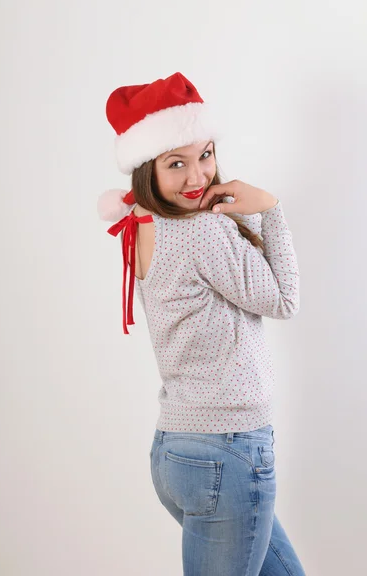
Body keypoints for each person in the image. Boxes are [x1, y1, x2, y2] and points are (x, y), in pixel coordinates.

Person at [98, 72, 306, 575]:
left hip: (179, 451)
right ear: (147, 167)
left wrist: (237, 215)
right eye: (176, 164)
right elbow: (283, 300)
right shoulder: (202, 234)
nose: (198, 178)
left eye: (205, 155)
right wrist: (269, 209)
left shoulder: (143, 223)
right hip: (228, 452)